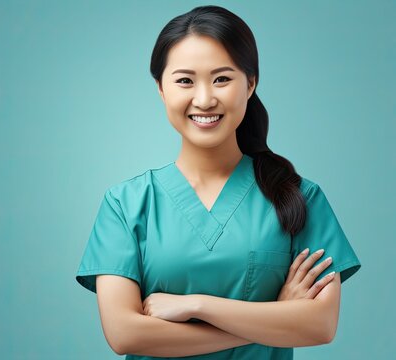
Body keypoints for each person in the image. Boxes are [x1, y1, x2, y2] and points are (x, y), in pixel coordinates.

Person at [74, 5, 361, 360]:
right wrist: (272, 317)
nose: (205, 98)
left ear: (251, 83)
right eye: (184, 80)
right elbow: (125, 334)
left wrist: (198, 305)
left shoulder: (300, 198)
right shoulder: (126, 204)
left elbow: (319, 326)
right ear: (161, 89)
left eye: (222, 78)